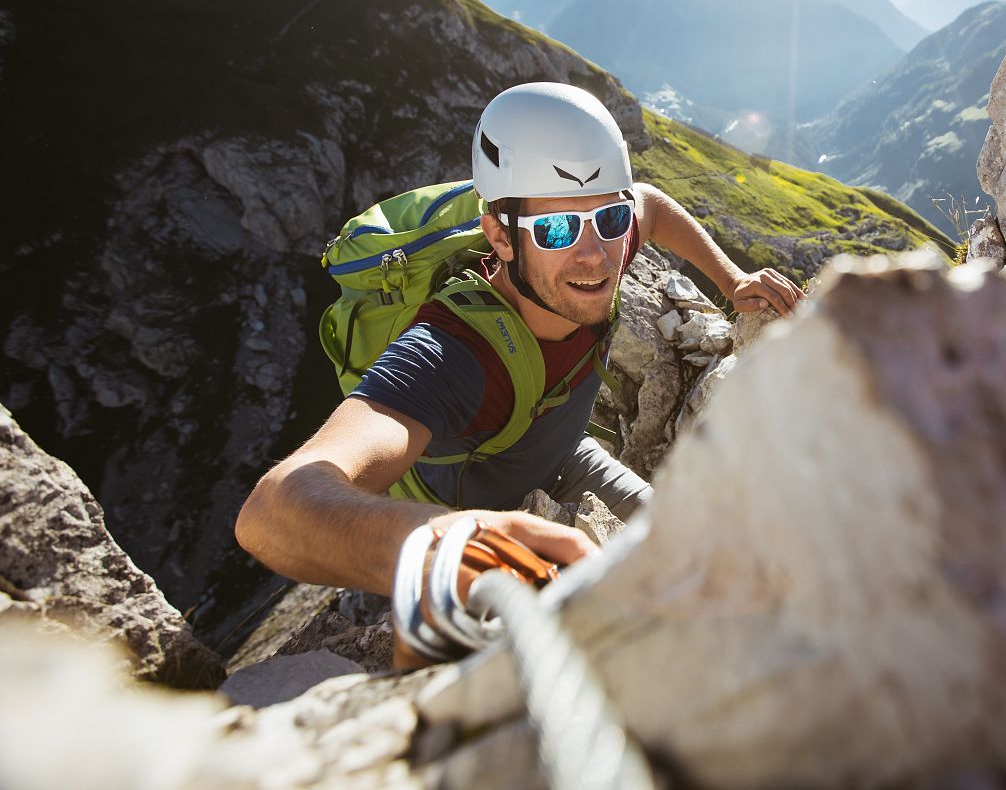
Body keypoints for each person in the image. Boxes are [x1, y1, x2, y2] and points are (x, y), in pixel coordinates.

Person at [235, 82, 804, 596]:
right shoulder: (450, 351)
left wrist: (733, 280)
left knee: (723, 563)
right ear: (499, 238)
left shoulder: (603, 242)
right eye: (554, 228)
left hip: (566, 455)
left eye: (607, 220)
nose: (595, 255)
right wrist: (460, 539)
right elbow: (273, 513)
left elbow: (648, 204)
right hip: (480, 523)